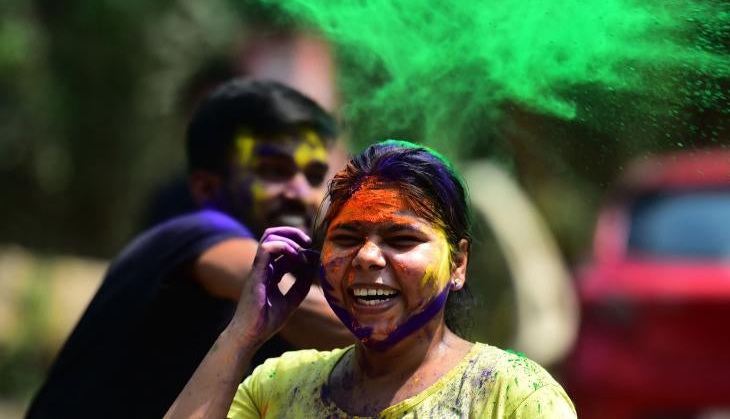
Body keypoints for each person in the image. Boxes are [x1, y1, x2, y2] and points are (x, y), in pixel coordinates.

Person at [165, 140, 577, 418]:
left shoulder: (514, 396)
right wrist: (241, 334)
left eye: (401, 238)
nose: (366, 256)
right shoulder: (278, 388)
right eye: (346, 237)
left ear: (458, 264)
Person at [26, 79, 353, 419]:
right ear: (207, 187)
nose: (301, 193)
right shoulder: (197, 231)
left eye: (315, 176)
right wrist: (404, 316)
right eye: (273, 172)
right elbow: (287, 304)